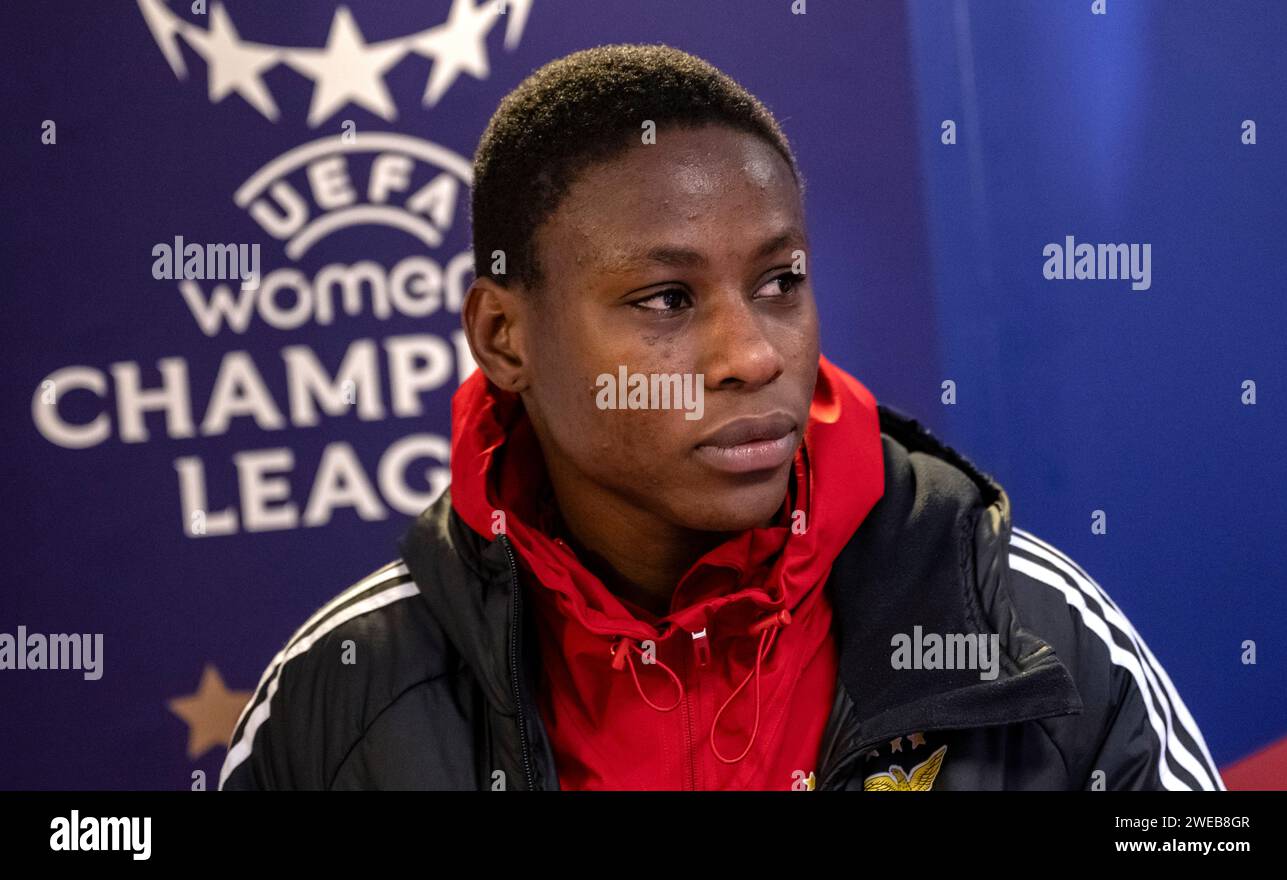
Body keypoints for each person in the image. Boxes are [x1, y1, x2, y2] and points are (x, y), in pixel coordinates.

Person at [220, 43, 1222, 791]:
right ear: (504, 337)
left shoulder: (1029, 633)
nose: (754, 355)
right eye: (666, 299)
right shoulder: (340, 697)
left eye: (781, 281)